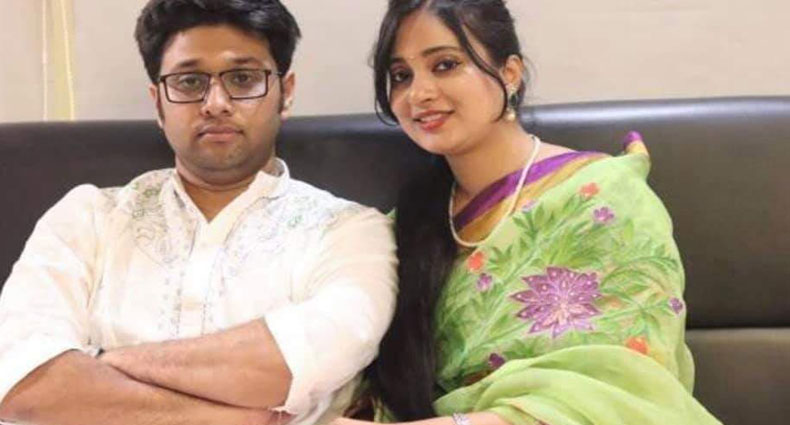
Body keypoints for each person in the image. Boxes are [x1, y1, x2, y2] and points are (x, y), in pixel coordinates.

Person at [0, 1, 396, 425]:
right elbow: (22, 382)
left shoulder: (348, 231)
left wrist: (101, 363)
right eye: (190, 82)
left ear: (287, 92)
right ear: (158, 103)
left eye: (243, 79)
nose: (216, 103)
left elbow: (300, 363)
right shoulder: (87, 218)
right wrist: (240, 420)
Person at [337, 1, 722, 425]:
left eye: (445, 65)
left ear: (510, 73)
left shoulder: (601, 198)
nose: (419, 93)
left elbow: (624, 388)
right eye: (401, 76)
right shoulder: (401, 227)